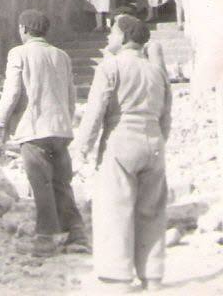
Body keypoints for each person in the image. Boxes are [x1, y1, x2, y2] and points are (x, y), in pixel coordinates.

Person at [73, 15, 172, 292]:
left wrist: (83, 147)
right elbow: (166, 114)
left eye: (112, 32)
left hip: (121, 141)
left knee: (114, 208)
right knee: (151, 211)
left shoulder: (110, 66)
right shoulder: (156, 71)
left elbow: (96, 111)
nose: (108, 37)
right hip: (153, 141)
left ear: (124, 37)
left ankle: (117, 277)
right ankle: (152, 276)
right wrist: (159, 141)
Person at [0, 10, 89, 257]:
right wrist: (66, 122)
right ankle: (77, 234)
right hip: (60, 129)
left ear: (23, 29)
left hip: (33, 130)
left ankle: (45, 238)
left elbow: (12, 92)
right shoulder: (61, 55)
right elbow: (71, 94)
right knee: (62, 183)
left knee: (41, 183)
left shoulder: (18, 53)